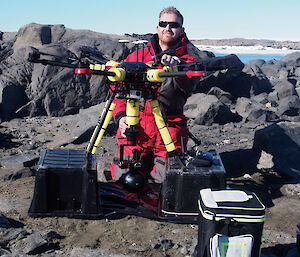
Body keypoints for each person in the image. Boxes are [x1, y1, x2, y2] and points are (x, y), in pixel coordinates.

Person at [108, 6, 243, 184]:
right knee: (121, 178)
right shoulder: (136, 57)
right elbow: (117, 93)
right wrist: (120, 118)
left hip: (168, 128)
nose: (168, 28)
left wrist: (176, 68)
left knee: (168, 182)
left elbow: (187, 87)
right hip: (136, 127)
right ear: (157, 28)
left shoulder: (188, 62)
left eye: (173, 25)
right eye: (163, 23)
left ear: (181, 30)